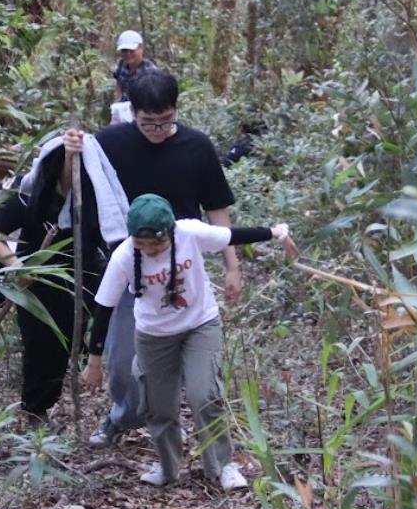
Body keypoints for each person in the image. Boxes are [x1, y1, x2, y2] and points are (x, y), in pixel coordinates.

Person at [64, 68, 241, 448]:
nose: (158, 130)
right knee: (122, 356)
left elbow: (217, 211)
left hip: (183, 267)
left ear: (176, 110)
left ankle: (187, 422)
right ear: (133, 113)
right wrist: (71, 152)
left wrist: (232, 266)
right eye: (149, 123)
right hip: (130, 264)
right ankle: (124, 415)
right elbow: (69, 182)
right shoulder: (109, 142)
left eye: (166, 121)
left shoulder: (197, 147)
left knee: (187, 349)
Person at [81, 194, 298, 489]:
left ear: (170, 232)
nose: (150, 251)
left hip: (200, 324)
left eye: (157, 244)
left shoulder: (190, 232)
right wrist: (94, 362)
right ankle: (168, 467)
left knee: (205, 393)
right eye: (142, 245)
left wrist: (277, 233)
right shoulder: (123, 256)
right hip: (154, 335)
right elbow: (103, 308)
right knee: (158, 406)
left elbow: (233, 235)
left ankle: (222, 465)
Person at [0, 143, 105, 424]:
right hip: (37, 274)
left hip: (86, 270)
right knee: (42, 345)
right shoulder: (30, 189)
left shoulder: (97, 188)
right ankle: (36, 409)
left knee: (99, 328)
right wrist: (15, 265)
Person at [112, 30, 156, 103]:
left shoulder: (150, 71)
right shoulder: (121, 65)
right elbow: (119, 85)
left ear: (141, 48)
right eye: (124, 50)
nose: (128, 54)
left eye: (132, 50)